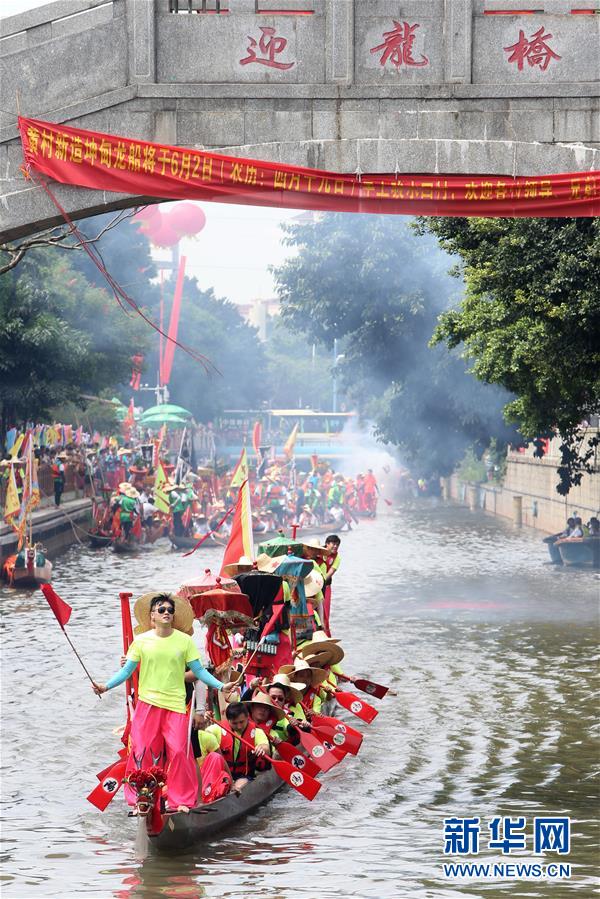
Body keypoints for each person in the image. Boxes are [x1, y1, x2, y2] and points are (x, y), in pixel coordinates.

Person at [92, 592, 238, 813]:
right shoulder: (141, 641)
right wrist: (105, 686)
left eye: (170, 610)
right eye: (161, 610)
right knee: (145, 752)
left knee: (179, 751)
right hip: (147, 704)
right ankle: (143, 799)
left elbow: (199, 672)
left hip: (175, 705)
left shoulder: (184, 641)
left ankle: (181, 800)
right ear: (152, 616)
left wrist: (221, 686)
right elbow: (126, 671)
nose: (166, 613)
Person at [206, 702, 269, 793]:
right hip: (222, 774)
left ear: (247, 717)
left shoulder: (257, 732)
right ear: (228, 720)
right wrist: (204, 722)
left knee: (239, 785)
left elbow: (265, 747)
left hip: (244, 775)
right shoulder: (216, 729)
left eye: (241, 722)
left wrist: (262, 748)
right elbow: (202, 735)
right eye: (234, 723)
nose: (239, 726)